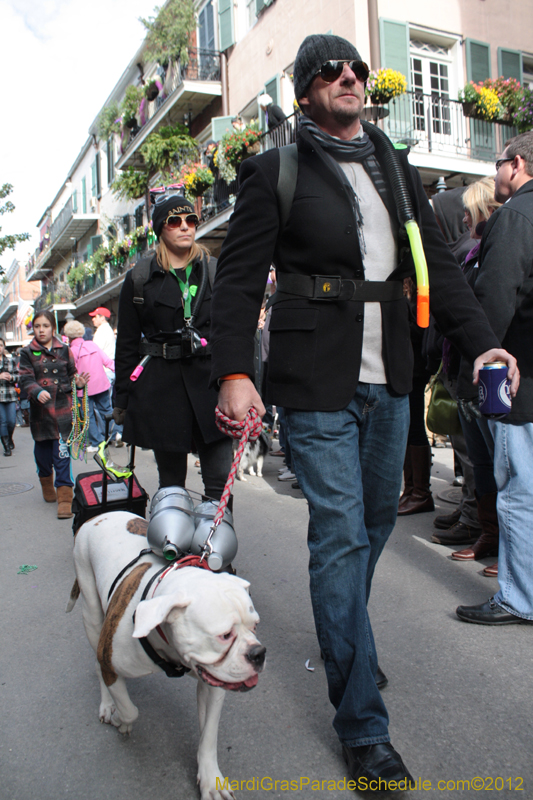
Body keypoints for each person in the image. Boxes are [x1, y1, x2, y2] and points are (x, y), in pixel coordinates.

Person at [209, 33, 519, 784]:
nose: (347, 76)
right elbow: (241, 282)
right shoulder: (275, 169)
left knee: (376, 519)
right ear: (303, 91)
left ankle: (349, 640)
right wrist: (232, 373)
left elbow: (436, 267)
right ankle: (362, 728)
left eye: (354, 68)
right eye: (327, 70)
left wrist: (479, 344)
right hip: (315, 380)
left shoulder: (392, 162)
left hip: (393, 380)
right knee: (342, 536)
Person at [456, 133, 533, 625]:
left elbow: (495, 299)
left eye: (499, 162)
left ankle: (519, 597)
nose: (497, 171)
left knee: (518, 490)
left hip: (517, 380)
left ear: (518, 163)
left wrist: (476, 374)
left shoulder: (516, 216)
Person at [113, 193, 232, 499]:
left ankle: (215, 545)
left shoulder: (216, 270)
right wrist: (122, 399)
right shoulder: (140, 278)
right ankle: (175, 545)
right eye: (175, 221)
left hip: (211, 387)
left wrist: (243, 382)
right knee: (172, 487)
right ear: (160, 229)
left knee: (220, 484)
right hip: (162, 391)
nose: (185, 227)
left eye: (191, 220)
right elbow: (126, 344)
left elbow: (235, 333)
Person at [432, 178, 501, 560]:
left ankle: (492, 533)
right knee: (479, 457)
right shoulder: (474, 251)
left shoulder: (483, 249)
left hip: (485, 371)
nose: (463, 218)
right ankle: (485, 530)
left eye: (469, 212)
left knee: (492, 461)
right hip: (464, 368)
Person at [18, 311, 89, 518]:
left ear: (53, 328)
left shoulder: (65, 350)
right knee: (42, 456)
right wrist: (37, 391)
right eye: (38, 326)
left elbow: (71, 374)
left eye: (45, 326)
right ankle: (46, 482)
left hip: (63, 410)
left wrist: (79, 384)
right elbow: (24, 378)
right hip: (41, 414)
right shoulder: (26, 352)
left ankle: (65, 497)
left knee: (62, 454)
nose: (41, 330)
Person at [63, 320, 115, 452]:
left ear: (68, 335)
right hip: (101, 384)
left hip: (84, 388)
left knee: (88, 416)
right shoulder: (93, 345)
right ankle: (113, 435)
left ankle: (97, 442)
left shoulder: (71, 351)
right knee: (107, 411)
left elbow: (70, 372)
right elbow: (108, 361)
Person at [90, 306, 122, 446]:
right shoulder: (107, 330)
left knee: (103, 407)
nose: (93, 319)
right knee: (105, 406)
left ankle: (113, 433)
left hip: (104, 371)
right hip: (109, 370)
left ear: (102, 317)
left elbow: (95, 353)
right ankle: (114, 433)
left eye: (95, 316)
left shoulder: (101, 331)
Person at [0, 337, 18, 456]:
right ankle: (6, 447)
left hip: (10, 394)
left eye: (1, 345)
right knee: (3, 422)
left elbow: (19, 377)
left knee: (12, 421)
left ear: (4, 347)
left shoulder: (10, 361)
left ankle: (9, 437)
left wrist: (11, 378)